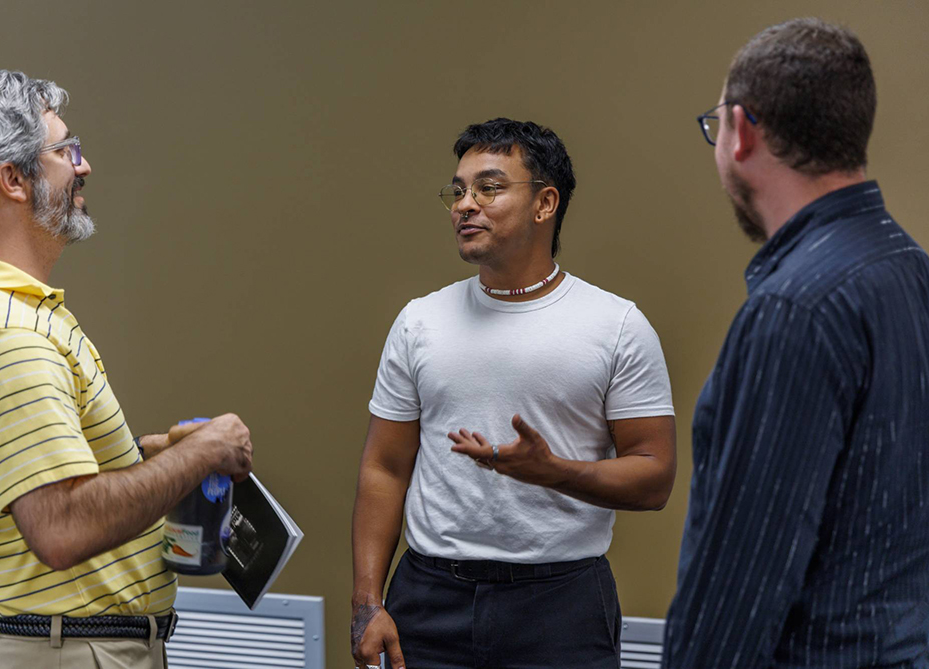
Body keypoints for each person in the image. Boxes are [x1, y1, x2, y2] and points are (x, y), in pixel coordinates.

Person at [0, 70, 254, 667]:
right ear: (13, 179)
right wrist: (201, 455)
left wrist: (152, 451)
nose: (83, 166)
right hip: (70, 653)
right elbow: (60, 527)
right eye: (65, 149)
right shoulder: (6, 334)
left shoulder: (8, 313)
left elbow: (48, 475)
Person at [351, 118, 677, 669]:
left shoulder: (616, 325)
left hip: (561, 607)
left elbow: (654, 477)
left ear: (545, 204)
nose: (464, 205)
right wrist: (366, 601)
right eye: (458, 191)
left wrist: (554, 471)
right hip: (428, 601)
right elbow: (384, 469)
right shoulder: (419, 322)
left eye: (489, 187)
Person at [663, 18, 929, 667]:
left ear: (743, 131)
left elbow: (738, 589)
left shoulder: (793, 312)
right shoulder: (913, 271)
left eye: (716, 125)